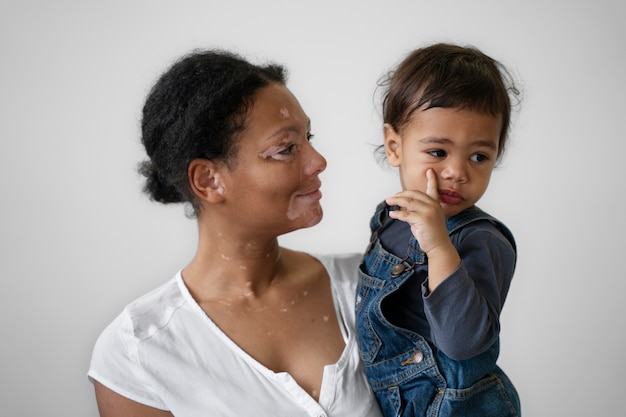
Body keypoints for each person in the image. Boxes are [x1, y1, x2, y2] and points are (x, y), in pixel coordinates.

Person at [88, 49, 382, 417]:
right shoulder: (139, 350)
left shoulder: (369, 285)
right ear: (208, 180)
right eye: (286, 149)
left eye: (309, 137)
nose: (318, 161)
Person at [355, 43, 522, 416]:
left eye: (479, 156)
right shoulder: (391, 216)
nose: (458, 171)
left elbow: (463, 342)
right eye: (438, 152)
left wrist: (439, 247)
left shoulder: (480, 239)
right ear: (394, 146)